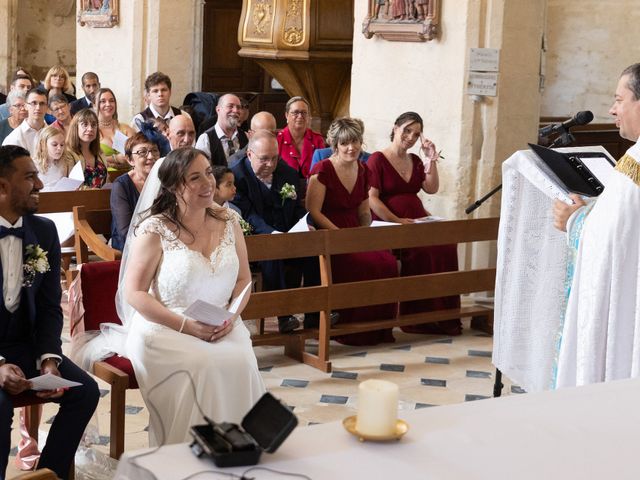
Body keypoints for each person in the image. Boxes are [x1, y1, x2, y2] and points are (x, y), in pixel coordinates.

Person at [124, 147, 265, 445]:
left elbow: (243, 279)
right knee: (204, 365)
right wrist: (187, 326)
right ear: (175, 186)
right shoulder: (155, 229)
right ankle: (190, 455)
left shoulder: (229, 221)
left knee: (242, 360)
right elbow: (134, 292)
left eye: (209, 174)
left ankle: (237, 450)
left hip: (221, 323)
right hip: (166, 327)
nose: (208, 183)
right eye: (195, 178)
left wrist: (231, 318)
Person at [0, 145, 99, 479]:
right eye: (30, 177)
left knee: (84, 393)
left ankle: (47, 475)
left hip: (25, 344)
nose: (40, 184)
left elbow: (48, 306)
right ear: (2, 187)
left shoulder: (43, 231)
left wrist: (48, 360)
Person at [553, 63, 640, 388]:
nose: (612, 109)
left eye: (620, 99)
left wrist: (573, 220)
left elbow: (612, 241)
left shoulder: (636, 162)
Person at [368, 112, 461, 335]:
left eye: (416, 134)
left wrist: (431, 158)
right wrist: (398, 221)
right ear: (395, 127)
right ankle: (419, 317)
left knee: (447, 246)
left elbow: (431, 188)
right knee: (425, 251)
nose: (410, 137)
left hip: (416, 221)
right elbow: (372, 198)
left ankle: (443, 316)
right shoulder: (377, 159)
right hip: (389, 222)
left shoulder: (416, 160)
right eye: (407, 130)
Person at [306, 118, 398, 345]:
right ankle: (352, 328)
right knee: (361, 266)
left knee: (386, 261)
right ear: (335, 144)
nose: (351, 148)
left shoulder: (364, 169)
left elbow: (364, 209)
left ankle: (379, 328)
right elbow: (314, 211)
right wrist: (340, 235)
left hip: (354, 230)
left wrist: (367, 235)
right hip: (330, 232)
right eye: (345, 143)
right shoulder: (322, 169)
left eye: (355, 142)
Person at [231, 130, 322, 333]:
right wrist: (272, 235)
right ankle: (284, 315)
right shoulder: (237, 176)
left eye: (274, 158)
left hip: (287, 234)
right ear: (249, 154)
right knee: (271, 252)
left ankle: (314, 314)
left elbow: (297, 207)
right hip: (255, 239)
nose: (270, 164)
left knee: (313, 251)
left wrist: (305, 223)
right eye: (264, 159)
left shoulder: (287, 172)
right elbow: (248, 214)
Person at [110, 132, 162, 251]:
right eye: (142, 152)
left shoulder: (165, 181)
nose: (150, 156)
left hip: (162, 242)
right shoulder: (121, 186)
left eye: (154, 150)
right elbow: (125, 231)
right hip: (130, 246)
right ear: (130, 160)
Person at [276, 96, 325, 181]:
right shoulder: (277, 139)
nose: (300, 116)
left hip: (312, 188)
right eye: (295, 112)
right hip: (282, 188)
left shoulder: (317, 140)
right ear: (286, 115)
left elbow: (323, 170)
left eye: (304, 113)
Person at [195, 94, 248, 166]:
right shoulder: (205, 139)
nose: (235, 110)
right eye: (230, 106)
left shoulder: (245, 136)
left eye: (238, 107)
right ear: (218, 109)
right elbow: (202, 170)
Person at [65, 108, 108, 189]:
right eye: (85, 124)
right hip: (77, 200)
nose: (90, 129)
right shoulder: (67, 154)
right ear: (75, 128)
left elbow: (106, 181)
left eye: (93, 125)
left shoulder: (100, 153)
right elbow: (69, 187)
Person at [95, 88, 134, 169]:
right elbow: (88, 158)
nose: (108, 104)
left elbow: (136, 154)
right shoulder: (91, 130)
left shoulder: (125, 129)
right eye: (103, 101)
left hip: (127, 175)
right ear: (95, 105)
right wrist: (116, 158)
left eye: (111, 101)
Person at [2, 88, 48, 155]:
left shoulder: (55, 133)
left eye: (42, 103)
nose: (38, 108)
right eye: (33, 103)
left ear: (47, 107)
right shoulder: (13, 139)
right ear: (26, 106)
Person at [33, 126, 74, 190]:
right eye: (54, 145)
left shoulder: (65, 163)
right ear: (43, 145)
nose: (59, 148)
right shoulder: (34, 165)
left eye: (62, 145)